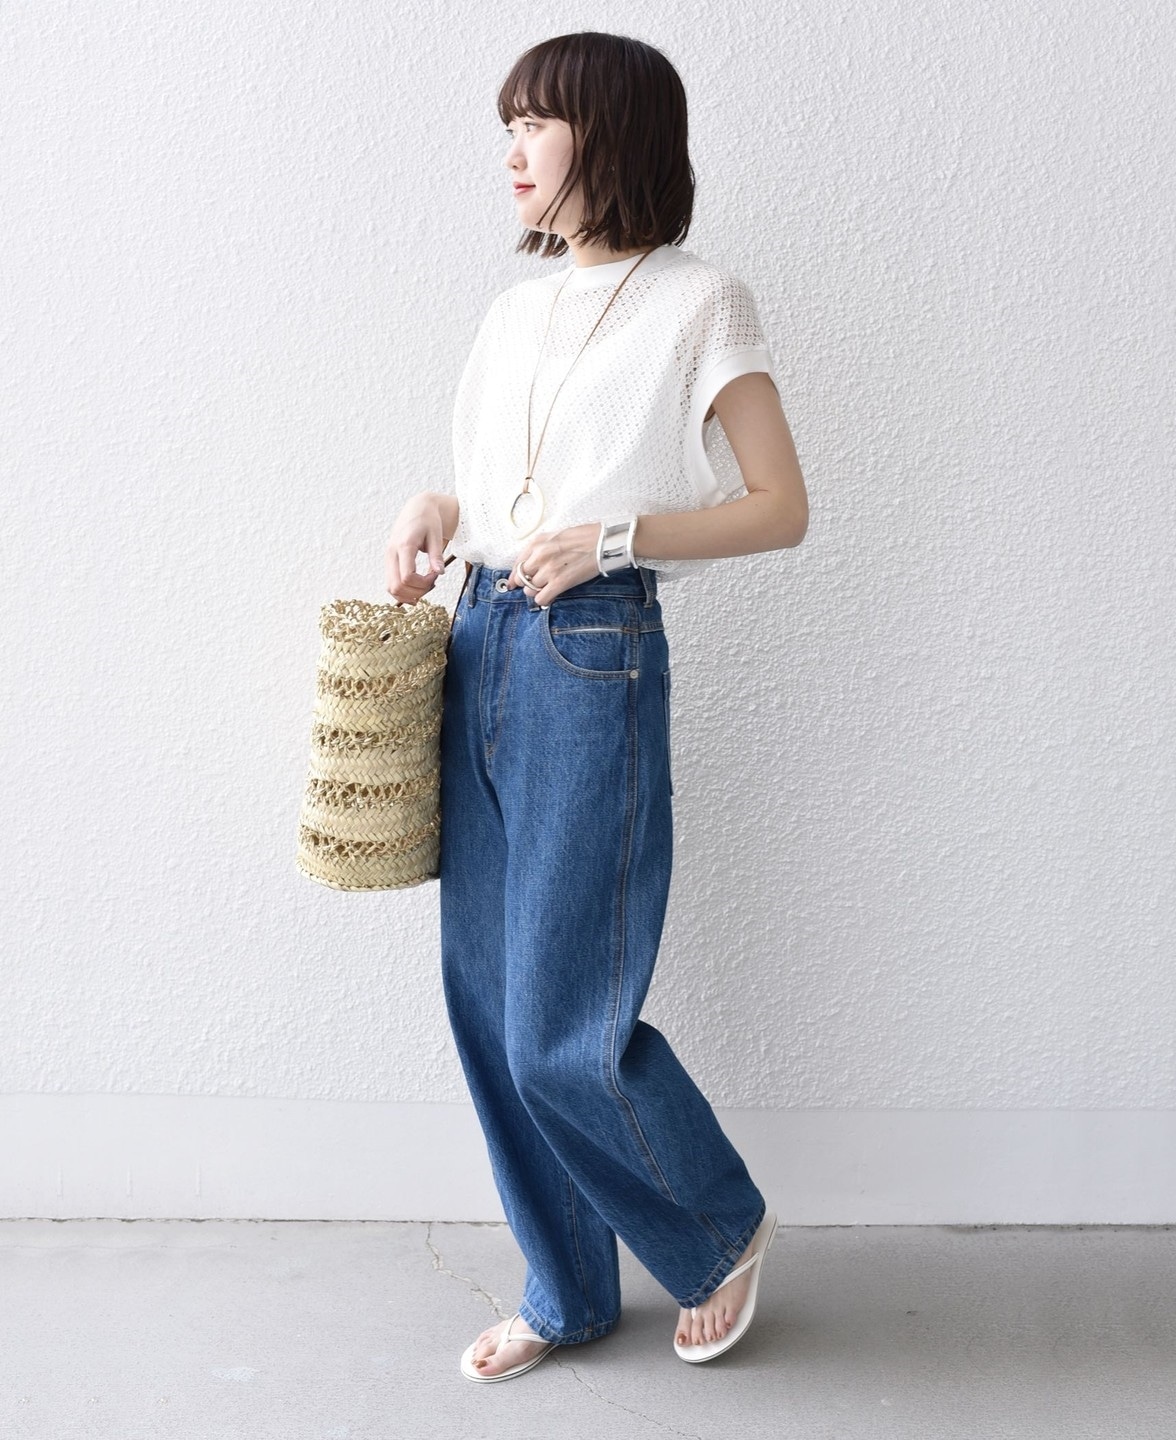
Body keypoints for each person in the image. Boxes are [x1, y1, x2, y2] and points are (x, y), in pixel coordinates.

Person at [384, 32, 809, 1383]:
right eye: (507, 125)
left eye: (537, 123)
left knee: (558, 1022)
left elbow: (781, 506)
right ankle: (566, 1288)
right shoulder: (513, 314)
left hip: (591, 649)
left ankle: (717, 1225)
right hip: (479, 635)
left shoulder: (700, 302)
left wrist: (617, 537)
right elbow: (500, 494)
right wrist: (438, 510)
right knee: (485, 1000)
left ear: (610, 134)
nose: (512, 150)